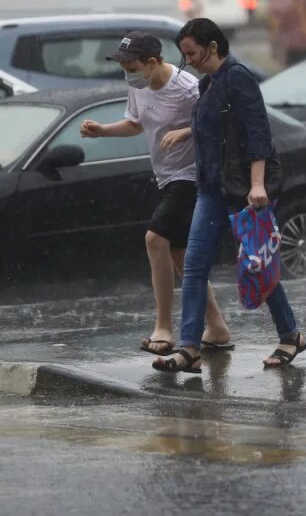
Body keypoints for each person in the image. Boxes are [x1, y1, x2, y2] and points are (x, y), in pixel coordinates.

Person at [153, 18, 305, 374]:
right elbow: (217, 123)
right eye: (183, 55)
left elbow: (257, 133)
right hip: (210, 187)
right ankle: (190, 348)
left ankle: (290, 335)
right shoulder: (210, 83)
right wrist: (185, 132)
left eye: (191, 53)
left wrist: (257, 185)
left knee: (257, 265)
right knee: (194, 265)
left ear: (212, 46)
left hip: (241, 190)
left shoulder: (238, 77)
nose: (188, 61)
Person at [81, 32, 232, 356]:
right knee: (178, 255)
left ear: (151, 62)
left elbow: (219, 122)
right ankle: (217, 327)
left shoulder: (187, 88)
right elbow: (136, 123)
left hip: (192, 176)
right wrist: (103, 131)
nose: (126, 73)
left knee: (155, 239)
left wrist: (185, 132)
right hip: (165, 177)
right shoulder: (139, 86)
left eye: (130, 65)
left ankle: (163, 327)